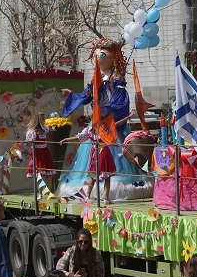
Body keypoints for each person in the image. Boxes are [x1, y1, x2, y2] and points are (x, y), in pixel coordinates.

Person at [57, 38, 152, 201]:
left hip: (111, 123)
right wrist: (74, 97)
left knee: (114, 156)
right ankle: (89, 190)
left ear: (112, 58)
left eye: (101, 54)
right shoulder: (96, 78)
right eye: (95, 54)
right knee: (92, 159)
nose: (97, 57)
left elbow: (120, 99)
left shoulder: (116, 77)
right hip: (97, 122)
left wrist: (109, 112)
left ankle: (110, 188)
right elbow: (87, 95)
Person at [60, 122, 116, 205]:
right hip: (104, 151)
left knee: (92, 175)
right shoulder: (104, 127)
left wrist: (66, 139)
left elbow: (78, 137)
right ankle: (106, 198)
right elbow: (115, 127)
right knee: (107, 176)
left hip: (94, 152)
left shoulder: (89, 129)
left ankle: (88, 196)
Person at [25, 113, 57, 181]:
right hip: (42, 151)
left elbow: (29, 144)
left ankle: (42, 189)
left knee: (41, 171)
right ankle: (43, 189)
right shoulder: (41, 130)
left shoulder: (33, 131)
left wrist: (26, 143)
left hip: (38, 151)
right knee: (44, 170)